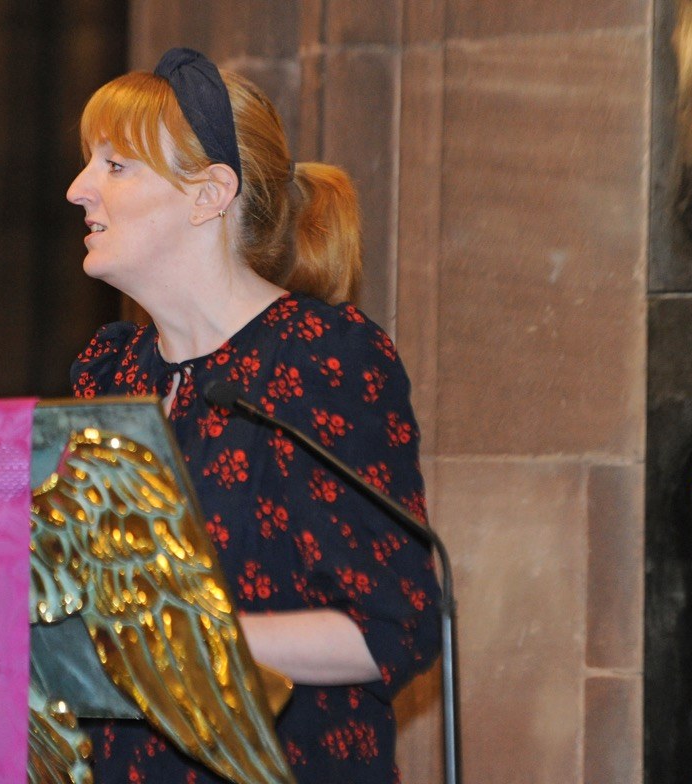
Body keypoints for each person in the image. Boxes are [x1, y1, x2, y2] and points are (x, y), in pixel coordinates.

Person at [66, 47, 441, 783]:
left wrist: (186, 638)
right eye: (89, 164)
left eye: (116, 166)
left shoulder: (320, 358)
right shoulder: (110, 372)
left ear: (209, 195)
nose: (79, 189)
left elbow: (395, 625)